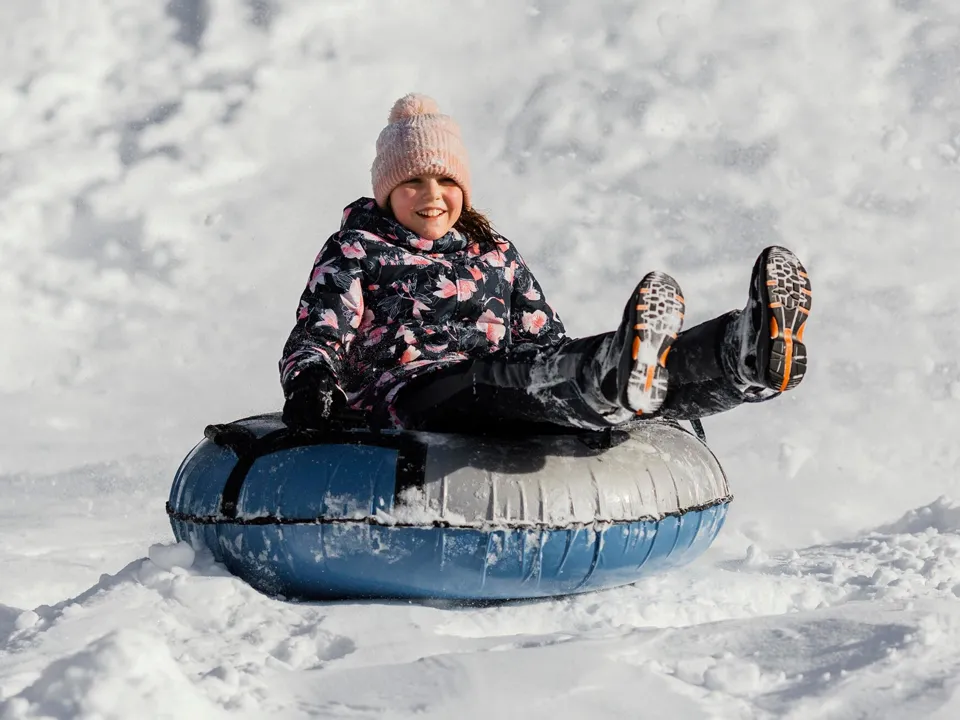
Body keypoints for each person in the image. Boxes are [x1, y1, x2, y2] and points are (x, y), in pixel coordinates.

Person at [279, 94, 812, 435]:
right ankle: (609, 380)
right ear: (387, 191)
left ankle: (737, 357)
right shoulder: (358, 249)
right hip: (412, 392)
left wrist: (568, 357)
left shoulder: (494, 252)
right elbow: (318, 333)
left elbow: (543, 336)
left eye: (446, 181)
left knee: (559, 365)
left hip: (503, 379)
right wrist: (310, 383)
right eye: (413, 182)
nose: (432, 195)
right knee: (503, 380)